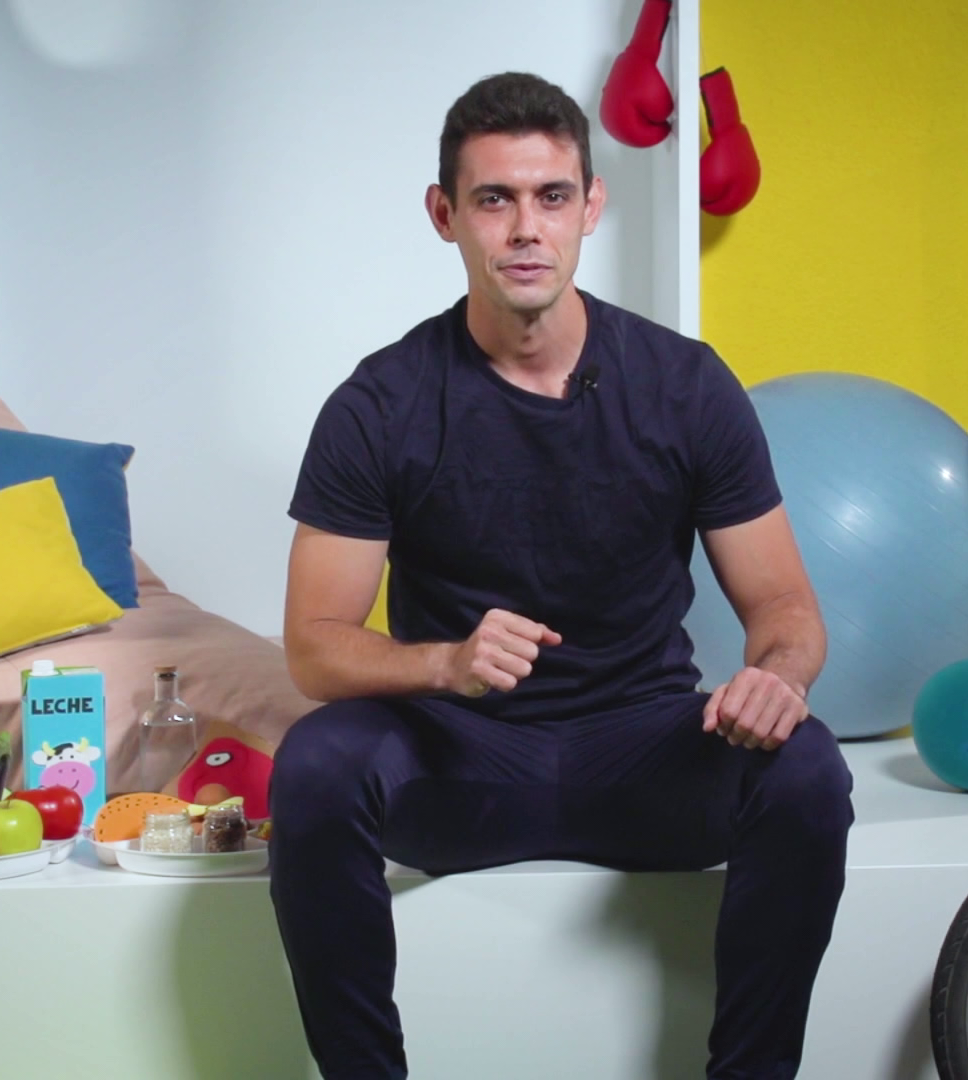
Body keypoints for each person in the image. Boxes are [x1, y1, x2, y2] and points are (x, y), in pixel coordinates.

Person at [269, 70, 854, 1080]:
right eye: (494, 199)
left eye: (551, 196)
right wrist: (446, 664)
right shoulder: (381, 404)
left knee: (807, 769)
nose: (525, 228)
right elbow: (313, 649)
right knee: (316, 766)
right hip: (459, 757)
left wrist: (778, 678)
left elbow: (785, 607)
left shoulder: (685, 386)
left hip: (645, 751)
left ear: (591, 206)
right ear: (445, 216)